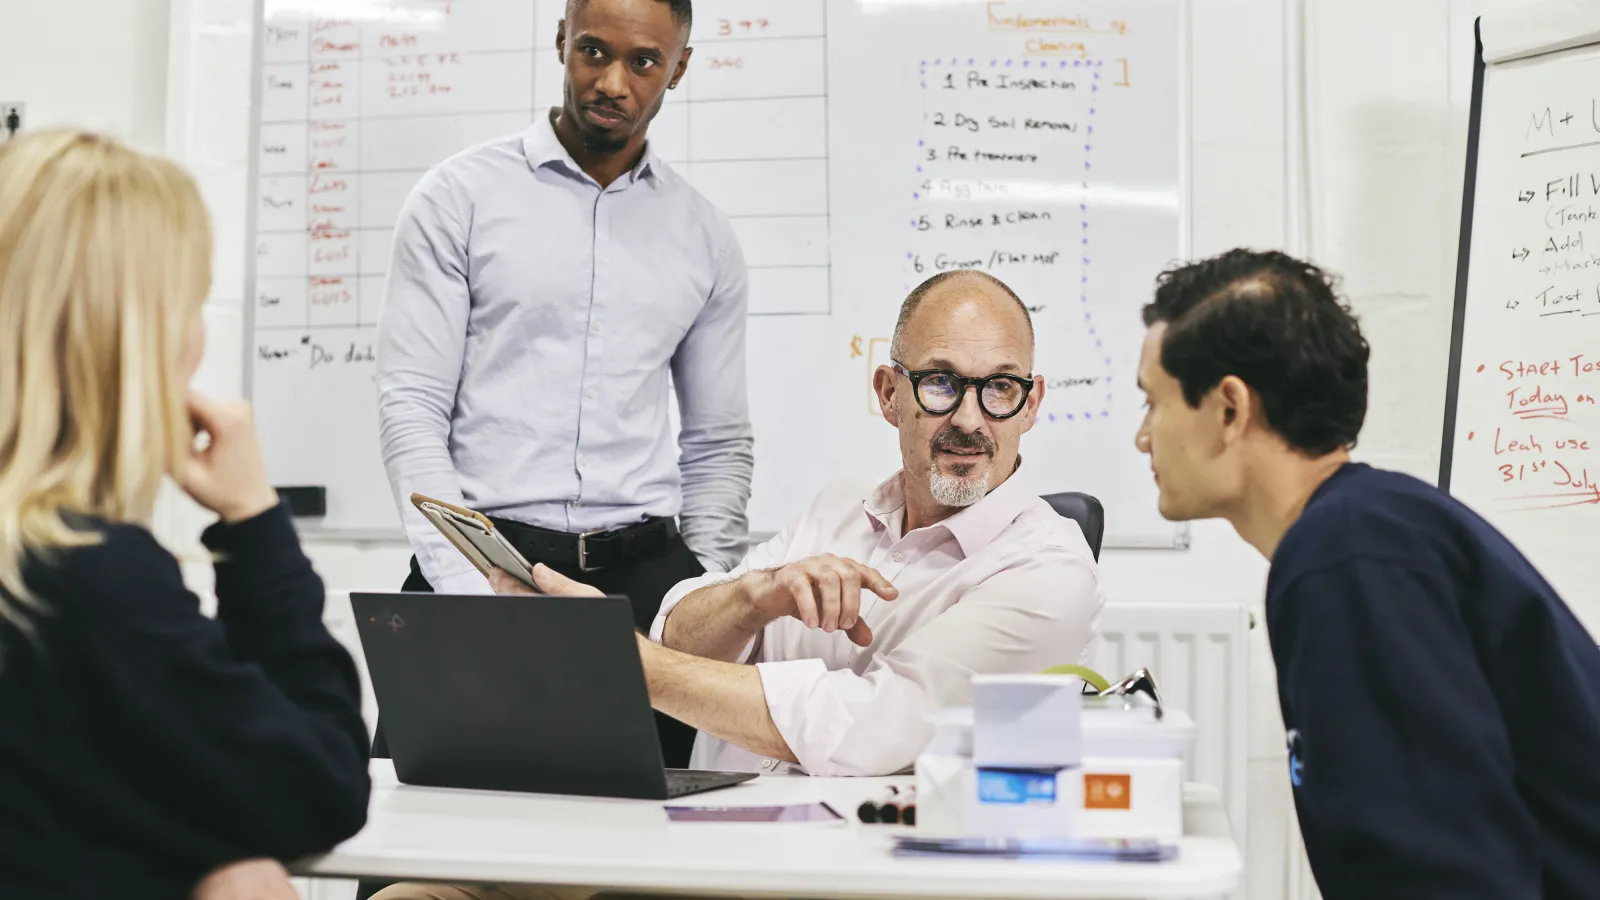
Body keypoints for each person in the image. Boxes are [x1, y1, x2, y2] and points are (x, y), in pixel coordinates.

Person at [373, 271, 1104, 900]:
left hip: (834, 876)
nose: (971, 419)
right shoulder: (839, 509)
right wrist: (759, 595)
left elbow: (869, 727)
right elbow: (679, 632)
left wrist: (611, 658)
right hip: (685, 846)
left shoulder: (1048, 570)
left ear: (1032, 402)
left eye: (1000, 388)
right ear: (889, 392)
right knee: (417, 893)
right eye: (941, 384)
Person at [1134, 248, 1600, 900]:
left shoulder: (1346, 558)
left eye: (1152, 403)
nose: (1142, 437)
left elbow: (1441, 878)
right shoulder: (1366, 530)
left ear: (1230, 409)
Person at [376, 0, 747, 770]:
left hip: (644, 585)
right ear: (560, 43)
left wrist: (696, 595)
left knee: (642, 864)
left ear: (678, 66)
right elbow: (412, 405)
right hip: (482, 563)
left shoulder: (704, 235)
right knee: (423, 845)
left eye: (642, 61)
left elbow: (717, 441)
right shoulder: (458, 198)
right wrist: (469, 589)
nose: (611, 80)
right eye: (591, 51)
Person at [0, 131, 371, 898]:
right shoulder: (83, 578)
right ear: (135, 335)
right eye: (191, 304)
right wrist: (254, 520)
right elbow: (321, 787)